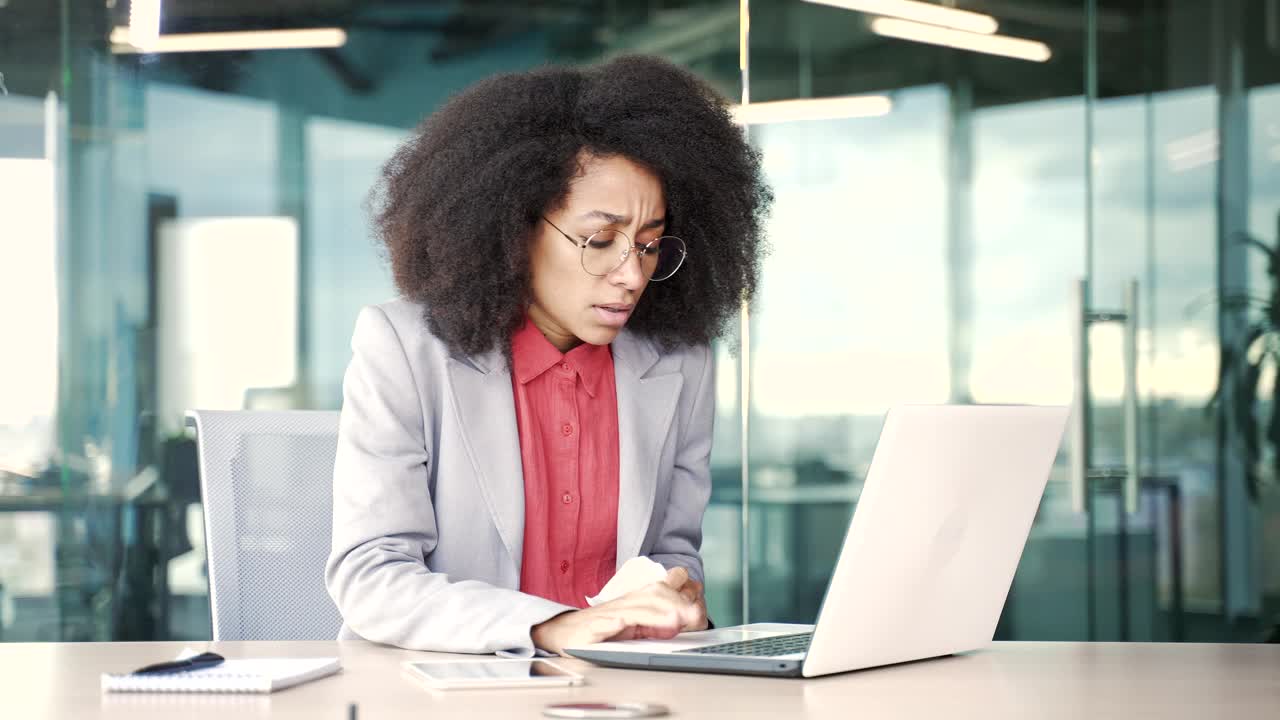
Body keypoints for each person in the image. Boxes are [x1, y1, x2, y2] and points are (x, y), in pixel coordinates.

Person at [325, 55, 771, 656]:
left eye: (648, 244)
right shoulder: (404, 348)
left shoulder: (679, 362)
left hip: (616, 687)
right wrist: (548, 627)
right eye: (600, 240)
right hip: (444, 691)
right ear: (515, 226)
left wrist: (675, 592)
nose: (631, 274)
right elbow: (370, 575)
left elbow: (671, 548)